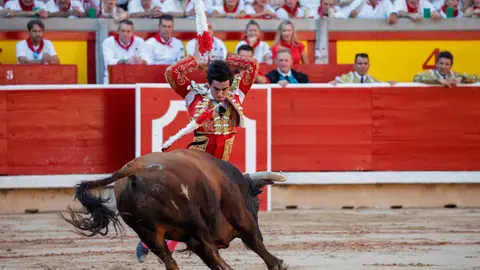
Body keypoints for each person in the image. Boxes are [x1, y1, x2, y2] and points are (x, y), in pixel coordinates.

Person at [136, 47, 260, 263]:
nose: (221, 94)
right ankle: (150, 241)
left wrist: (225, 59)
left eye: (224, 88)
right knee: (184, 205)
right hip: (196, 160)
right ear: (208, 83)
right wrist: (196, 59)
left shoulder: (238, 92)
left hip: (221, 166)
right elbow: (172, 73)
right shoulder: (194, 94)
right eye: (216, 89)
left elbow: (252, 65)